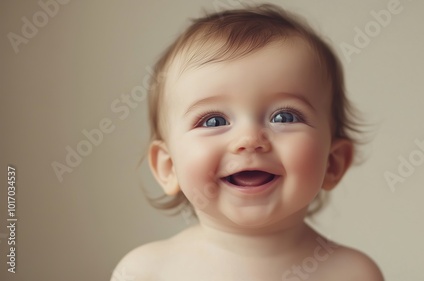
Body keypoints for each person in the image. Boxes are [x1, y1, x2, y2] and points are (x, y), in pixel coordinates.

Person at [112, 3, 383, 280]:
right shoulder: (145, 272)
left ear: (332, 163)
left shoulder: (352, 274)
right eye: (213, 121)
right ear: (168, 168)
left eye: (285, 117)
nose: (249, 140)